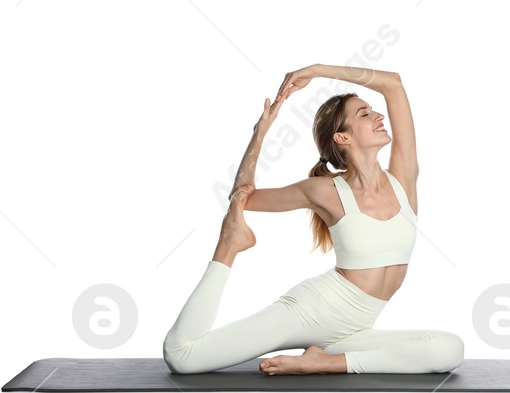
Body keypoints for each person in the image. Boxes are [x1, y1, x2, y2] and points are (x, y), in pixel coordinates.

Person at [162, 64, 463, 376]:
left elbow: (394, 85)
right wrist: (260, 134)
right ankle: (230, 245)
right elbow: (243, 197)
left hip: (353, 331)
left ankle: (326, 362)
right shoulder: (325, 191)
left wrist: (318, 70)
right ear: (342, 136)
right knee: (182, 356)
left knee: (449, 348)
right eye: (364, 114)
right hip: (312, 312)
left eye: (373, 111)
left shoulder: (403, 178)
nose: (379, 116)